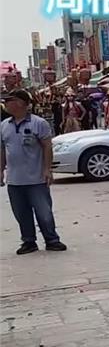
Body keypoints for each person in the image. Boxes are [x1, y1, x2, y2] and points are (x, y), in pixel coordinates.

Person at [1, 90, 67, 254]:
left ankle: (52, 240)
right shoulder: (4, 125)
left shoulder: (39, 123)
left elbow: (47, 146)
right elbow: (2, 150)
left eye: (10, 100)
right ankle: (29, 242)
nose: (6, 103)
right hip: (15, 180)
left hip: (36, 179)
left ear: (22, 103)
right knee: (21, 214)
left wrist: (47, 169)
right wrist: (1, 170)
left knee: (44, 212)